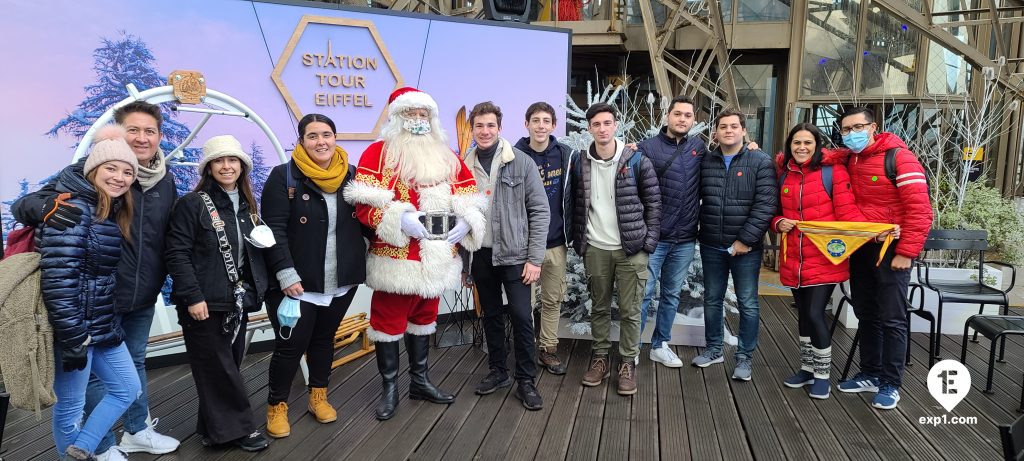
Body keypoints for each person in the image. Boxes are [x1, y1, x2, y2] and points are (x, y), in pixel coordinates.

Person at [13, 101, 180, 460]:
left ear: (159, 137)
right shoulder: (78, 188)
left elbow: (170, 237)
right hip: (88, 308)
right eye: (133, 129)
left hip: (133, 298)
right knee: (81, 386)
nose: (141, 137)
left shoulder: (164, 182)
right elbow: (30, 207)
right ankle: (100, 448)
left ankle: (132, 433)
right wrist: (44, 208)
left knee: (131, 374)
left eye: (149, 131)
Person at [344, 87, 486, 420]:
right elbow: (363, 206)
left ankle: (420, 381)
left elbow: (469, 194)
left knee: (424, 321)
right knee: (388, 323)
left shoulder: (446, 155)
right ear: (397, 117)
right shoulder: (378, 154)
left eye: (423, 115)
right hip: (396, 259)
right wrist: (400, 218)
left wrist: (467, 220)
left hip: (436, 257)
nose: (418, 121)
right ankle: (390, 388)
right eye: (411, 114)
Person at [39, 126, 142, 461]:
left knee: (127, 388)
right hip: (75, 331)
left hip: (99, 326)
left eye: (128, 171)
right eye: (111, 168)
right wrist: (72, 337)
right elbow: (58, 279)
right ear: (93, 170)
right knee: (70, 409)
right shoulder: (71, 211)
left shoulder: (107, 211)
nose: (120, 177)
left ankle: (82, 450)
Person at [261, 113, 367, 437]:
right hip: (297, 284)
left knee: (324, 341)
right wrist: (286, 274)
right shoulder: (284, 177)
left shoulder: (353, 176)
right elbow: (273, 230)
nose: (320, 141)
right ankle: (276, 406)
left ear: (335, 138)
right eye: (312, 136)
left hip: (340, 280)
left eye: (326, 134)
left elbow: (369, 219)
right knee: (290, 347)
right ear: (301, 141)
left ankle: (318, 396)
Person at [164, 135, 270, 452]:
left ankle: (214, 429)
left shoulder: (247, 207)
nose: (227, 166)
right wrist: (194, 297)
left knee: (224, 367)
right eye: (219, 160)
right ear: (209, 167)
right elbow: (176, 254)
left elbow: (251, 255)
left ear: (242, 166)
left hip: (236, 301)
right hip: (203, 303)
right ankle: (242, 429)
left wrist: (257, 290)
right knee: (221, 368)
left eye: (233, 160)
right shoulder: (192, 205)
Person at [834, 106, 932, 410]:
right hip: (861, 246)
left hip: (892, 249)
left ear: (873, 126)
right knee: (866, 312)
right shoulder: (849, 158)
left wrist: (906, 252)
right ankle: (870, 372)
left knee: (892, 317)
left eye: (857, 127)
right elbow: (818, 156)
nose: (852, 134)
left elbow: (920, 210)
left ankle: (891, 382)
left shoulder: (899, 158)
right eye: (846, 130)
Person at [570, 102, 661, 395]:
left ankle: (627, 363)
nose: (602, 129)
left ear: (616, 126)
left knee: (630, 310)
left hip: (631, 250)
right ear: (589, 129)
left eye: (607, 123)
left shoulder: (636, 161)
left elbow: (654, 204)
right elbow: (575, 202)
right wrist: (579, 241)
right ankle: (599, 358)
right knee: (598, 307)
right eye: (596, 124)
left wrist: (647, 244)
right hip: (596, 248)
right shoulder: (581, 162)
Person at [464, 101, 550, 410]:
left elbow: (540, 211)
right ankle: (498, 371)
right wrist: (465, 264)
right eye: (479, 126)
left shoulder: (522, 162)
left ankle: (525, 379)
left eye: (490, 126)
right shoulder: (463, 165)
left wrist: (535, 259)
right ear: (471, 130)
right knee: (490, 316)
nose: (485, 131)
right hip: (481, 255)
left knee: (522, 317)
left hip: (516, 256)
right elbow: (458, 215)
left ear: (500, 129)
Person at [772, 123, 867, 399]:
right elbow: (774, 212)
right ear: (790, 145)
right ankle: (807, 368)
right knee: (803, 315)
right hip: (794, 257)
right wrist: (778, 223)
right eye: (796, 143)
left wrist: (876, 232)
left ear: (817, 145)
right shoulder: (784, 174)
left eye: (807, 143)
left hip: (825, 256)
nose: (801, 148)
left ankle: (823, 375)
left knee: (815, 313)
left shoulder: (832, 172)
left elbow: (848, 212)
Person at [691, 108, 777, 381]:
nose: (728, 130)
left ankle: (744, 358)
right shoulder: (706, 161)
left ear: (743, 130)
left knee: (748, 302)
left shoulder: (759, 161)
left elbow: (765, 206)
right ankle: (714, 348)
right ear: (715, 133)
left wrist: (745, 240)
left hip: (746, 249)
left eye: (733, 126)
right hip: (712, 244)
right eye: (723, 126)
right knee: (712, 299)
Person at [634, 95, 704, 367]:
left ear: (693, 120)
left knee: (672, 294)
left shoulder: (699, 148)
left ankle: (660, 344)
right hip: (654, 238)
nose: (682, 119)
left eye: (687, 115)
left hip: (685, 239)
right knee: (643, 293)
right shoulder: (647, 147)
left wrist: (751, 147)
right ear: (667, 116)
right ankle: (632, 348)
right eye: (678, 114)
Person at [514, 102, 576, 375]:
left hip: (555, 243)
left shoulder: (566, 155)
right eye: (535, 120)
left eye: (546, 120)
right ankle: (525, 350)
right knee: (523, 304)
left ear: (554, 125)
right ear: (526, 123)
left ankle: (547, 350)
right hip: (522, 246)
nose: (541, 125)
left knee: (552, 299)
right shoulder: (513, 156)